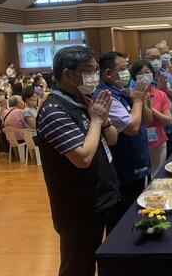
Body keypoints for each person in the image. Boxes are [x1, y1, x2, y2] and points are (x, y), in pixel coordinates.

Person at [36, 46, 119, 276]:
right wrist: (96, 120)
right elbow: (83, 157)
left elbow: (111, 139)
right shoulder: (54, 110)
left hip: (102, 196)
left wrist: (103, 121)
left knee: (107, 258)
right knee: (78, 266)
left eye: (95, 70)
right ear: (68, 74)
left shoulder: (83, 100)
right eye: (88, 71)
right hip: (78, 208)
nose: (94, 76)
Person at [95, 51, 152, 230]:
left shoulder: (122, 91)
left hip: (139, 163)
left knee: (137, 211)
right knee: (123, 219)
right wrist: (137, 101)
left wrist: (141, 101)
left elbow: (148, 120)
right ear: (108, 74)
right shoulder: (106, 97)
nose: (127, 71)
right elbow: (132, 128)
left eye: (127, 67)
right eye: (122, 69)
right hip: (125, 170)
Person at [131, 60, 172, 178]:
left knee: (159, 175)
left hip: (159, 141)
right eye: (140, 73)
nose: (144, 76)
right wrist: (141, 102)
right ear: (134, 76)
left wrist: (153, 110)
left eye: (147, 72)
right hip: (140, 144)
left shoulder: (160, 94)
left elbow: (168, 120)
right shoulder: (131, 96)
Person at [143, 47, 172, 158]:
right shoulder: (139, 80)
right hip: (152, 129)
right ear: (145, 59)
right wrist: (160, 94)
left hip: (171, 126)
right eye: (152, 58)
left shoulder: (167, 76)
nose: (156, 61)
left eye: (158, 57)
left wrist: (167, 91)